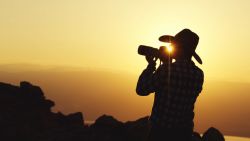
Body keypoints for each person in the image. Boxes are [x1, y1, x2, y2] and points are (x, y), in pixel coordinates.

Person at [136, 29, 204, 141]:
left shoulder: (167, 70)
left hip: (160, 133)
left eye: (173, 45)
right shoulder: (199, 74)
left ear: (180, 49)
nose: (171, 47)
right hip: (184, 134)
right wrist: (166, 64)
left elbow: (141, 89)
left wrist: (151, 66)